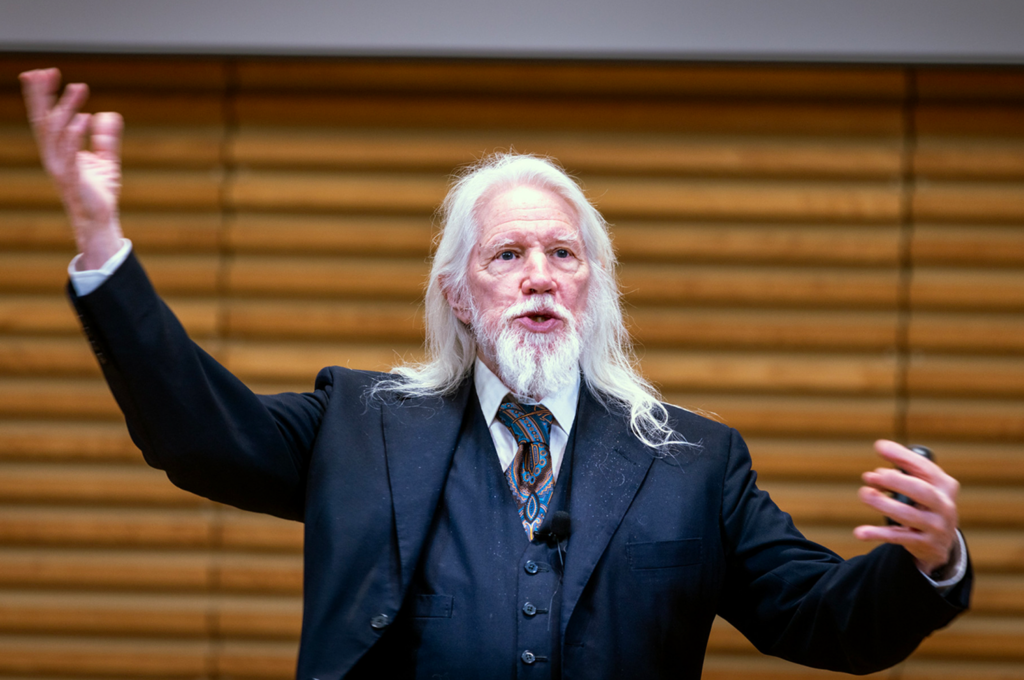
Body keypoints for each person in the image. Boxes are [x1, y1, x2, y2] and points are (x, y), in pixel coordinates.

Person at [21, 68, 970, 680]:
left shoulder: (693, 460)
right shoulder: (360, 423)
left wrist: (926, 563)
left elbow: (820, 618)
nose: (539, 278)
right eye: (508, 255)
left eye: (564, 255)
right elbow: (197, 432)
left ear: (594, 290)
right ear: (459, 298)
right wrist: (103, 246)